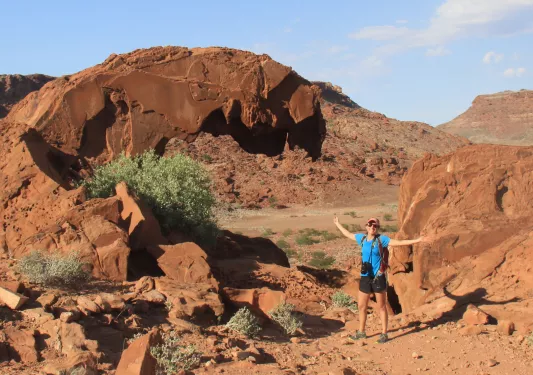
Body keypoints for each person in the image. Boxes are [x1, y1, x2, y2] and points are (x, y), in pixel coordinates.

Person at [333, 216, 429, 343]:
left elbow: (399, 243)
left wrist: (418, 240)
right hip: (365, 277)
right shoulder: (361, 239)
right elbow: (348, 234)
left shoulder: (381, 240)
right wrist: (338, 224)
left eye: (376, 226)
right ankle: (361, 332)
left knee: (382, 306)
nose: (373, 227)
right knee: (362, 306)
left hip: (378, 277)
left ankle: (384, 333)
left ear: (378, 228)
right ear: (366, 226)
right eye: (371, 225)